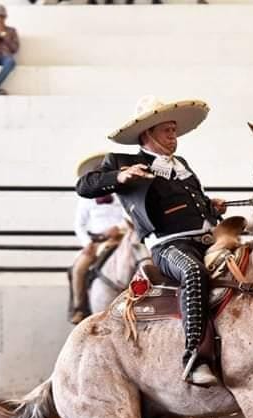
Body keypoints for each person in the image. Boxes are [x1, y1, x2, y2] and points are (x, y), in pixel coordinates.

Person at [76, 96, 226, 386]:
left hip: (208, 237)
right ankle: (196, 357)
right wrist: (119, 176)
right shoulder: (123, 162)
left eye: (174, 130)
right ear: (148, 134)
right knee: (193, 272)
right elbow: (84, 186)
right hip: (169, 245)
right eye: (167, 130)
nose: (174, 136)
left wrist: (211, 206)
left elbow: (191, 203)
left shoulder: (181, 164)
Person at [70, 153, 129, 324]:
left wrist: (118, 228)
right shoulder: (86, 199)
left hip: (120, 239)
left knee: (141, 260)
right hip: (96, 242)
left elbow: (130, 217)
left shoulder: (121, 194)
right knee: (79, 268)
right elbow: (79, 224)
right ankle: (79, 307)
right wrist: (87, 243)